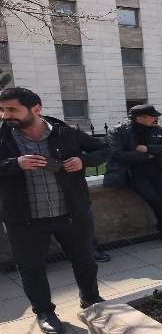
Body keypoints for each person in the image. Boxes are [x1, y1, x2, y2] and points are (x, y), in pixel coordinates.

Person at [0, 87, 108, 334]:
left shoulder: (65, 133)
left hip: (72, 213)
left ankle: (91, 299)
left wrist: (83, 161)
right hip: (24, 220)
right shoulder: (2, 137)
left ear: (36, 109)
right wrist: (14, 164)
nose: (5, 115)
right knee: (32, 269)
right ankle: (45, 312)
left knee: (85, 261)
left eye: (12, 109)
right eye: (2, 109)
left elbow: (103, 149)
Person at [103, 104, 162, 246]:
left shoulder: (158, 130)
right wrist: (148, 156)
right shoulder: (117, 131)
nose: (157, 118)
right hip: (134, 173)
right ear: (140, 118)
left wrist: (147, 148)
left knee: (161, 200)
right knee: (153, 198)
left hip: (158, 171)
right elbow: (116, 154)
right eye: (153, 116)